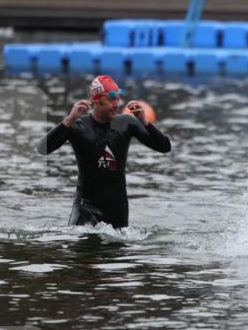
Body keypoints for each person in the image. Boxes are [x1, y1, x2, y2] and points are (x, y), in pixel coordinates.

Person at [38, 75, 171, 229]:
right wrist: (68, 120)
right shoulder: (77, 127)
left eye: (118, 99)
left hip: (117, 208)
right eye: (111, 100)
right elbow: (43, 149)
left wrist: (146, 122)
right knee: (78, 246)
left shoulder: (127, 124)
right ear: (96, 101)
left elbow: (164, 147)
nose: (116, 104)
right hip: (86, 207)